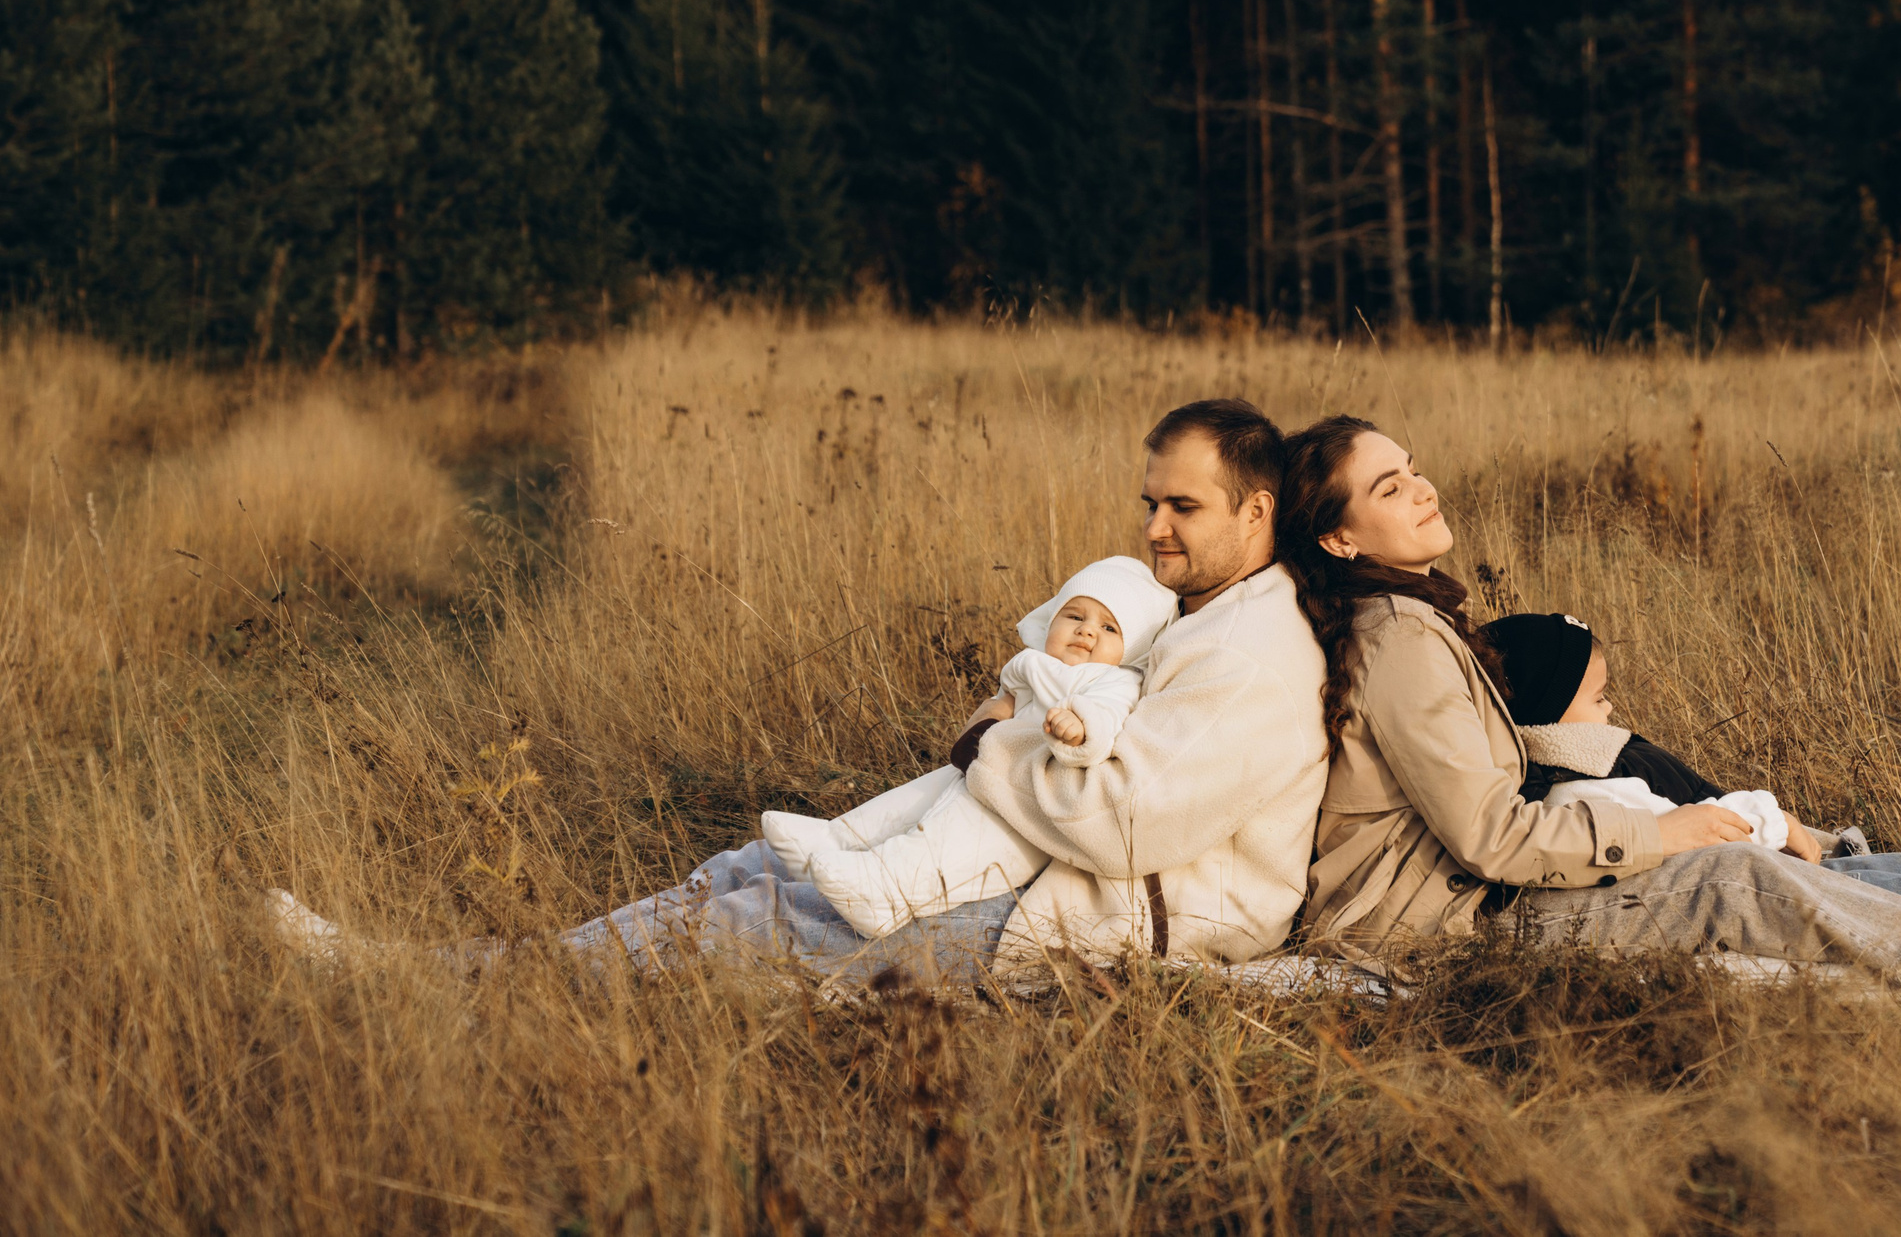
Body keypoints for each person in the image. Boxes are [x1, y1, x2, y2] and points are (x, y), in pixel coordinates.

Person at [269, 400, 1330, 989]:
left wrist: (987, 744)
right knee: (740, 870)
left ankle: (430, 985)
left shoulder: (1252, 651)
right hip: (1051, 871)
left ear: (1255, 512)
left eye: (1181, 507)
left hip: (1101, 917)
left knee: (762, 921)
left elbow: (1124, 825)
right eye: (1148, 502)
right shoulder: (1199, 613)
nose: (1152, 529)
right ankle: (490, 970)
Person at [1281, 414, 1901, 1000]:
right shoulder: (1396, 636)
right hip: (1438, 925)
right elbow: (1488, 837)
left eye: (1413, 466)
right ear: (1340, 535)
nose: (1422, 487)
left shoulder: (1411, 615)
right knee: (1736, 876)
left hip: (1462, 894)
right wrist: (1659, 837)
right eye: (1389, 487)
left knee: (1734, 851)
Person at [1479, 610, 1901, 935]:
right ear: (1548, 717)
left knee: (1897, 875)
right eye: (1597, 698)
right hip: (1759, 867)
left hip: (1774, 854)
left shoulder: (1593, 755)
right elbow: (1690, 831)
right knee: (1893, 891)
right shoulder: (1580, 788)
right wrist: (1773, 820)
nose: (1610, 708)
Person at [757, 557, 1178, 938]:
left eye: (1109, 627)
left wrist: (1081, 728)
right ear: (1051, 620)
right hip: (987, 766)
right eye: (1075, 615)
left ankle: (886, 890)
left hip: (1031, 797)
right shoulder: (1031, 662)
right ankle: (836, 840)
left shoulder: (1113, 680)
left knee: (956, 836)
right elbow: (1003, 701)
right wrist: (995, 711)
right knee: (914, 799)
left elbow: (1108, 718)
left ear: (1133, 649)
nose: (1087, 630)